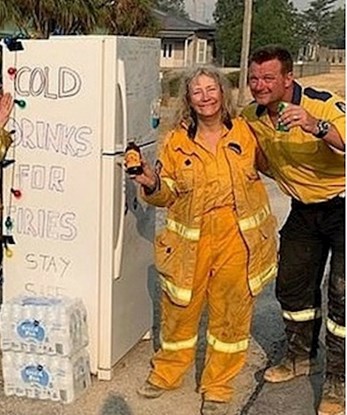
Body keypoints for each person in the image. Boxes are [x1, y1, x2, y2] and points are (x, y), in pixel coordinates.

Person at [128, 66, 278, 415]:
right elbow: (166, 194)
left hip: (238, 239)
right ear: (189, 100)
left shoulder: (247, 131)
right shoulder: (176, 141)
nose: (206, 97)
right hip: (189, 241)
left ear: (223, 94)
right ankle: (167, 373)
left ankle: (218, 386)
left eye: (212, 89)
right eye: (198, 91)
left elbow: (278, 165)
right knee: (180, 310)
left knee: (231, 316)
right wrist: (150, 181)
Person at [241, 46, 346, 415]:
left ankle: (338, 379)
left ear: (289, 78)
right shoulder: (252, 116)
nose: (259, 85)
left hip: (345, 204)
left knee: (342, 293)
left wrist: (315, 126)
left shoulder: (321, 103)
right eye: (254, 78)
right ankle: (300, 357)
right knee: (291, 284)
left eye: (268, 78)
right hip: (304, 209)